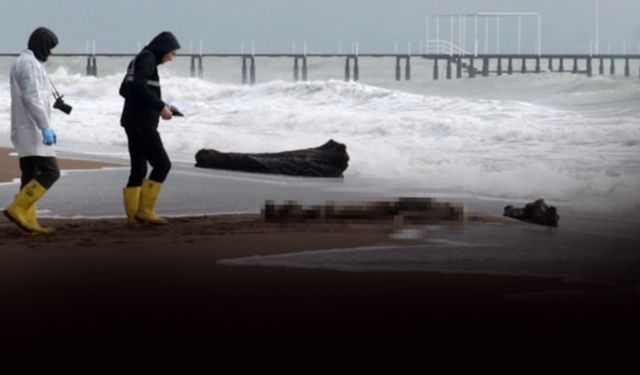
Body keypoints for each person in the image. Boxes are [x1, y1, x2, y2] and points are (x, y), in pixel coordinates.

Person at [3, 27, 61, 235]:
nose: (51, 53)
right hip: (32, 129)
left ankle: (28, 221)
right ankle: (18, 208)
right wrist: (45, 126)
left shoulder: (22, 62)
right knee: (51, 172)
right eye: (50, 48)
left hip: (24, 128)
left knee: (30, 174)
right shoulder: (30, 65)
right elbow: (32, 98)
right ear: (42, 45)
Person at [119, 31, 181, 226]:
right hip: (141, 123)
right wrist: (160, 107)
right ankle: (145, 211)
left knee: (138, 169)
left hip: (132, 121)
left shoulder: (141, 59)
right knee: (162, 165)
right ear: (163, 48)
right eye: (172, 53)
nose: (172, 57)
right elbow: (138, 88)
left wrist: (163, 105)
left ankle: (132, 217)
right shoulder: (147, 59)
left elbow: (124, 89)